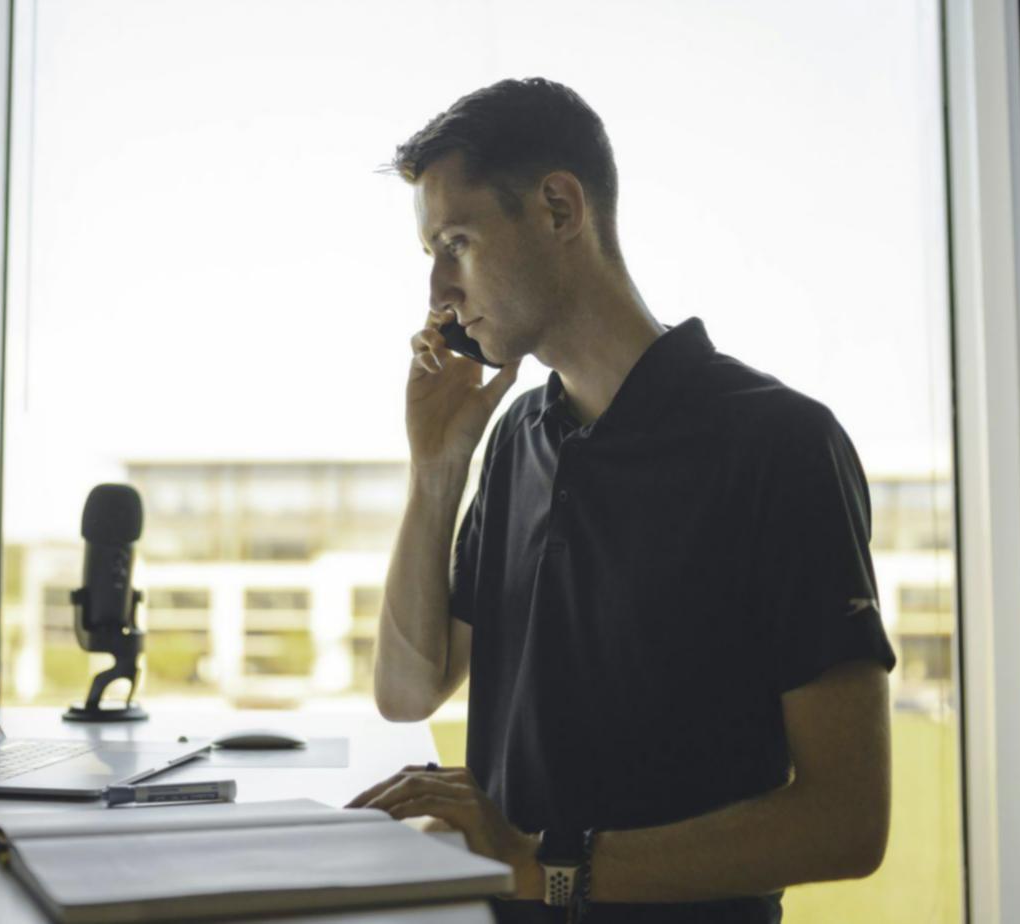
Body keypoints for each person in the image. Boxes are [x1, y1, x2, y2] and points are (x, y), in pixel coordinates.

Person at [346, 78, 898, 924]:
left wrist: (546, 866)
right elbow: (407, 691)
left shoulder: (779, 446)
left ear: (559, 208)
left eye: (455, 242)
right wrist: (435, 471)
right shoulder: (513, 439)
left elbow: (846, 822)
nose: (437, 296)